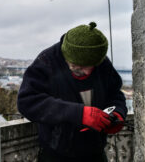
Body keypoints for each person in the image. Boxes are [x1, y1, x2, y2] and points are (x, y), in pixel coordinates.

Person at [17, 22, 127, 162]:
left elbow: (115, 94)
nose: (87, 71)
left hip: (95, 151)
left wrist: (117, 113)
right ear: (68, 57)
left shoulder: (101, 61)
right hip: (56, 154)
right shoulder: (46, 62)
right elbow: (27, 102)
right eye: (80, 66)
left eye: (91, 66)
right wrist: (79, 114)